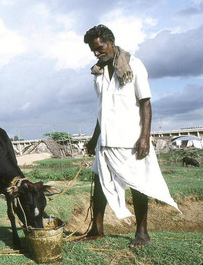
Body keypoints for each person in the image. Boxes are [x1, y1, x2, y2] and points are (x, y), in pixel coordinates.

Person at [77, 24, 180, 248]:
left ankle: (142, 233)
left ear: (111, 42)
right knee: (100, 183)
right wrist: (94, 139)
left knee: (138, 185)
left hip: (131, 141)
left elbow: (145, 103)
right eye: (93, 50)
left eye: (99, 47)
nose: (96, 53)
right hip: (106, 142)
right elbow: (101, 110)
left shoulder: (134, 65)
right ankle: (97, 229)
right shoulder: (99, 72)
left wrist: (145, 137)